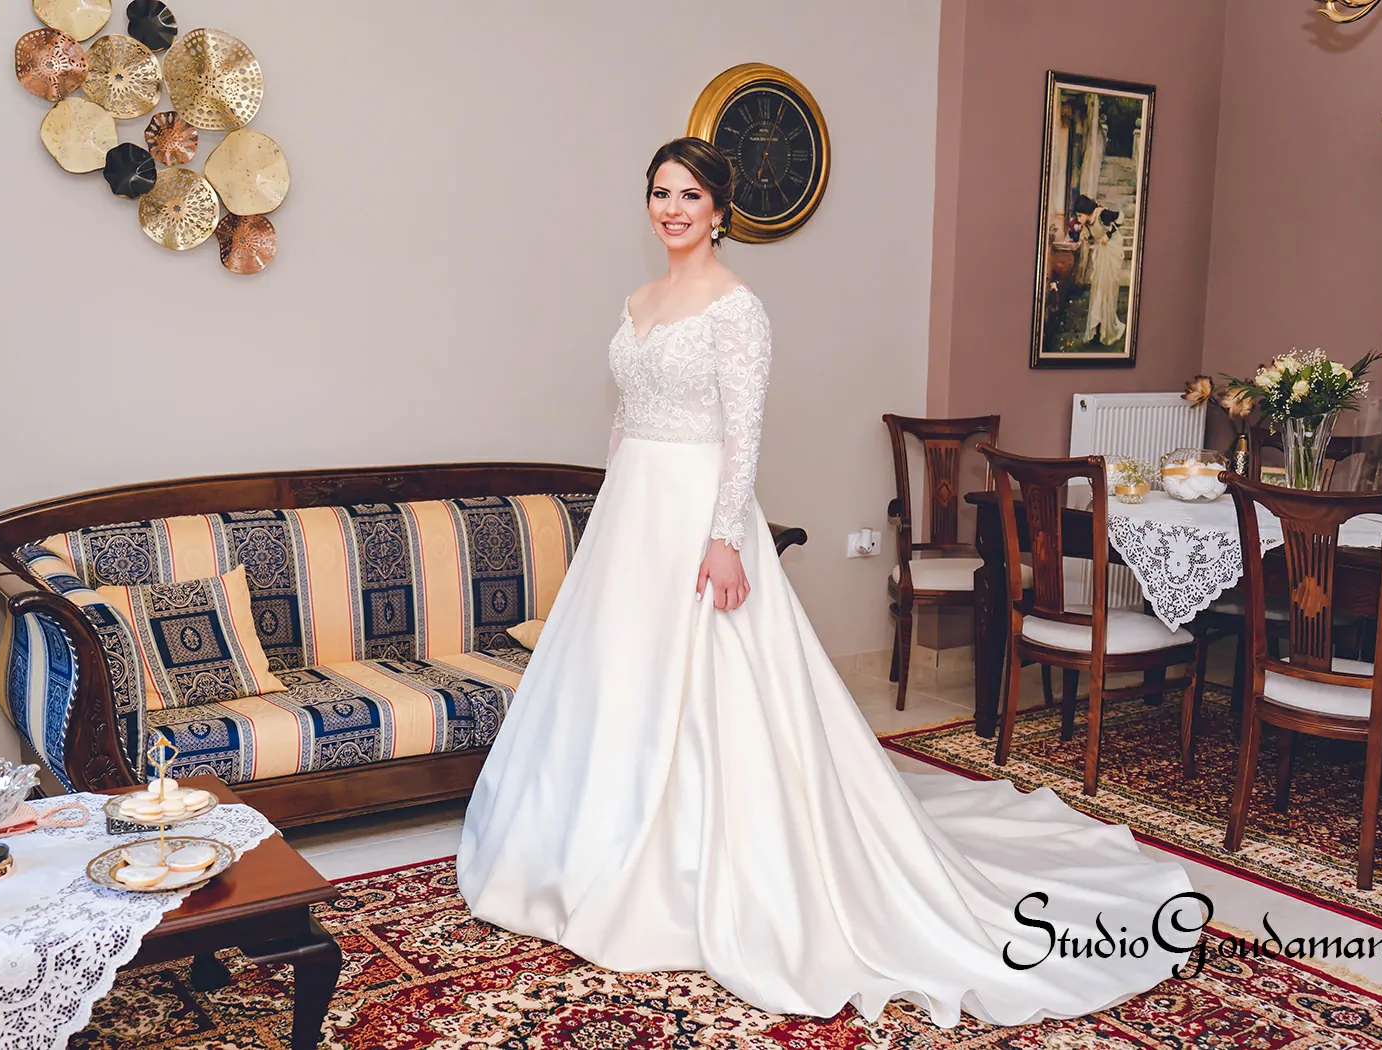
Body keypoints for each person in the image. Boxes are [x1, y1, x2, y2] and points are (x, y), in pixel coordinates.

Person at [455, 137, 1199, 1027]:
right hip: (632, 515)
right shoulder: (637, 302)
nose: (672, 209)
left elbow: (744, 432)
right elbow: (624, 421)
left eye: (688, 195)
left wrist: (725, 538)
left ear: (719, 210)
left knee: (712, 689)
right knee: (616, 683)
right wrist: (609, 515)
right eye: (659, 193)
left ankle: (699, 863)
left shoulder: (737, 307)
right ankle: (595, 850)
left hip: (699, 513)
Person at [1073, 193, 1128, 347]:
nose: (1078, 219)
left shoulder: (1102, 214)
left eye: (1080, 215)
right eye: (1077, 216)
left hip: (1110, 251)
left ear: (1087, 212)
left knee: (1106, 288)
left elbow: (1120, 217)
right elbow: (1094, 234)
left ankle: (1106, 326)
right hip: (1101, 253)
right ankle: (1097, 327)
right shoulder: (1087, 223)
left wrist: (1108, 236)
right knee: (1097, 288)